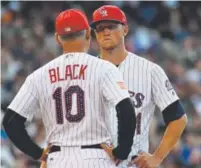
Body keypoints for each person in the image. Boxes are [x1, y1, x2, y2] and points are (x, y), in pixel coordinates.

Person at [2, 9, 136, 168]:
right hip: (96, 156)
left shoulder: (39, 75)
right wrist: (121, 151)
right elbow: (126, 110)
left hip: (58, 159)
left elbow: (11, 121)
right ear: (87, 33)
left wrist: (37, 152)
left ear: (58, 39)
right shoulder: (104, 69)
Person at [90, 5, 188, 168]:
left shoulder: (149, 70)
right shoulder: (86, 72)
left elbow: (178, 118)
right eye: (100, 29)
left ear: (125, 30)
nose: (106, 32)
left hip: (131, 162)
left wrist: (157, 157)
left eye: (112, 26)